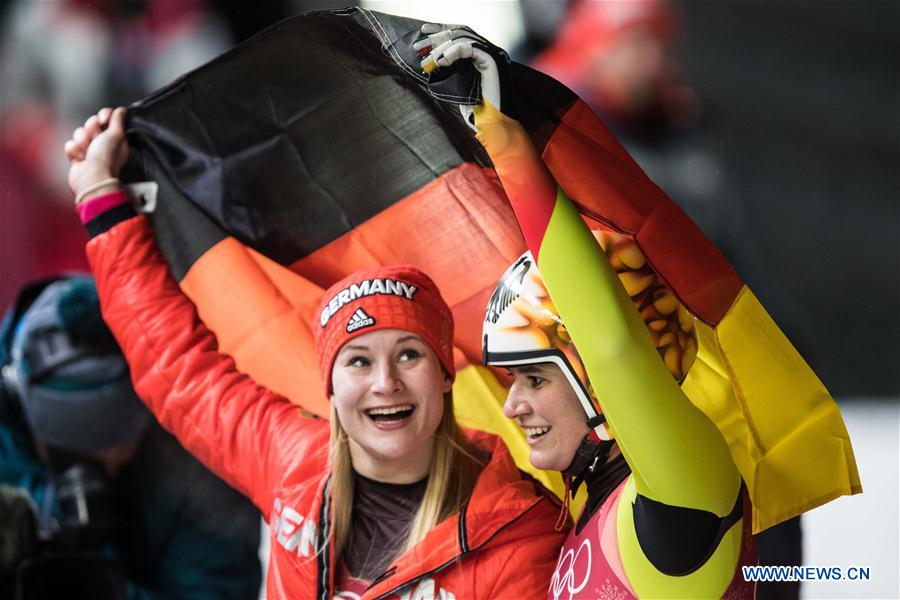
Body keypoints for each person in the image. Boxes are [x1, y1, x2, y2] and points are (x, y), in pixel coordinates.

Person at [64, 107, 567, 598]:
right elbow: (176, 368)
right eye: (358, 361)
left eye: (409, 355)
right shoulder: (292, 464)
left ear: (445, 374)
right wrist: (99, 195)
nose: (385, 382)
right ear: (329, 386)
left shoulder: (519, 538)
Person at [417, 25, 757, 598]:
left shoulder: (687, 485)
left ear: (600, 382)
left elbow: (615, 345)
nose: (514, 404)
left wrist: (503, 137)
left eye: (533, 376)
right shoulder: (585, 502)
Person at [0, 275, 262, 599]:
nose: (107, 470)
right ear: (22, 414)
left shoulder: (196, 464)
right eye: (77, 458)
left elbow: (217, 588)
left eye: (121, 448)